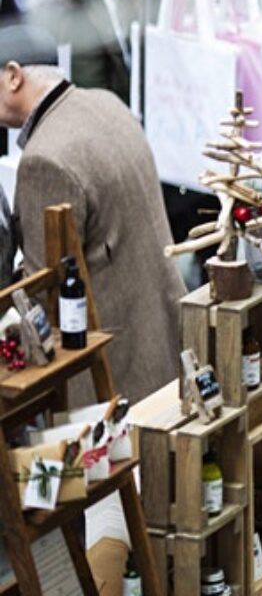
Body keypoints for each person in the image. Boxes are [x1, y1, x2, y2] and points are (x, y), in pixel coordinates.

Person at [0, 25, 185, 404]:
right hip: (170, 339)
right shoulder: (107, 104)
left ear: (14, 76)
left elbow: (44, 292)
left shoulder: (44, 160)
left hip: (115, 375)